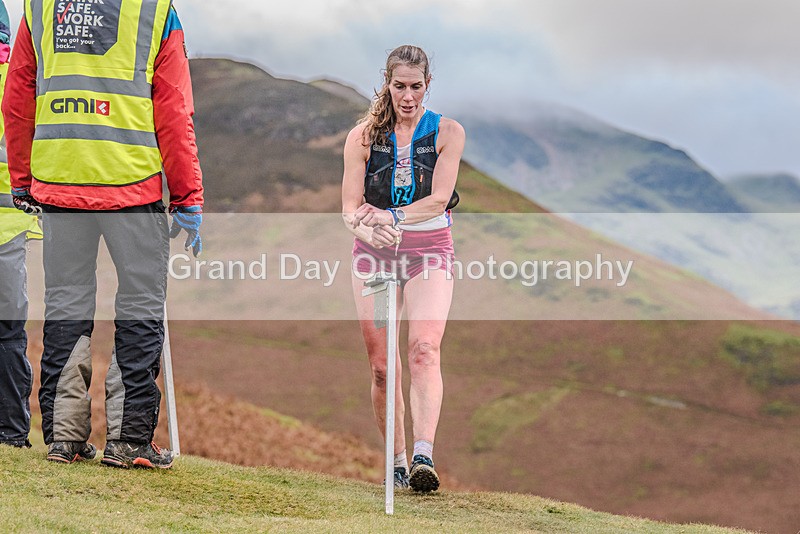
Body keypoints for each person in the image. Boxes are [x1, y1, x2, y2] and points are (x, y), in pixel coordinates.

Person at [2, 0, 203, 468]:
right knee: (139, 306)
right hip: (132, 186)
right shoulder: (155, 10)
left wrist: (23, 178)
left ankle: (63, 439)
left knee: (66, 304)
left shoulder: (39, 7)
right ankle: (129, 441)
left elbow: (18, 97)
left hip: (59, 182)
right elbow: (174, 109)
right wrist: (188, 196)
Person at [342, 45, 465, 492]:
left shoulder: (449, 132)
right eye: (399, 86)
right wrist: (367, 228)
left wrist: (393, 217)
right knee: (381, 366)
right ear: (387, 84)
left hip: (428, 249)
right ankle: (394, 461)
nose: (408, 95)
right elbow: (348, 209)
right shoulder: (360, 136)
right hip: (374, 256)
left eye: (416, 86)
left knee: (424, 349)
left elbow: (438, 199)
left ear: (427, 85)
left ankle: (422, 457)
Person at [0, 0, 42, 450]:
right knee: (8, 332)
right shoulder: (23, 82)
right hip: (11, 227)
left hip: (11, 225)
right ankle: (12, 434)